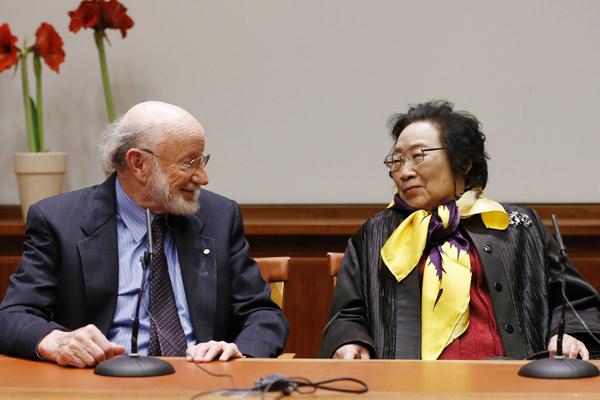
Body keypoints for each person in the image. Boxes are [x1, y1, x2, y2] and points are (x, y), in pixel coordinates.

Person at [0, 101, 288, 368]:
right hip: (98, 384)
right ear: (138, 163)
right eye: (189, 163)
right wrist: (57, 340)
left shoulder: (219, 216)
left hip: (201, 382)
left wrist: (238, 352)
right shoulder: (60, 220)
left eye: (203, 161)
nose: (203, 177)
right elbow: (12, 316)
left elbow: (263, 314)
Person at [318, 100, 600, 360]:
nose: (404, 172)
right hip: (406, 386)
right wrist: (349, 341)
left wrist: (569, 335)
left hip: (513, 381)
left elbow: (577, 302)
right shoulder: (375, 235)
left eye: (418, 156)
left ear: (463, 163)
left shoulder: (517, 225)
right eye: (397, 160)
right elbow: (348, 314)